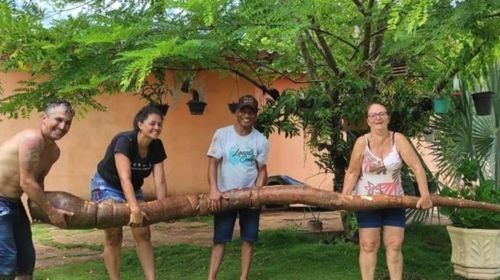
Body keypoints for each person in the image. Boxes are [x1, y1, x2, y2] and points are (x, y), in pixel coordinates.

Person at [341, 102, 433, 280]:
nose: (378, 118)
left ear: (388, 118)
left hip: (395, 200)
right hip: (366, 201)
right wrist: (345, 197)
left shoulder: (398, 139)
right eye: (373, 115)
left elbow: (416, 167)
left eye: (381, 114)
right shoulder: (362, 142)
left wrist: (425, 195)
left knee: (395, 244)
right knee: (368, 245)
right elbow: (352, 172)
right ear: (368, 121)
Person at [91, 105, 167, 280]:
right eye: (152, 123)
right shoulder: (124, 140)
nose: (157, 128)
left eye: (160, 124)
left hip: (133, 187)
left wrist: (163, 207)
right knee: (113, 235)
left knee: (143, 233)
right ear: (140, 124)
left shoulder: (157, 146)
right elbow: (124, 177)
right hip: (107, 185)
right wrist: (134, 208)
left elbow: (160, 180)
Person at [0, 100, 75, 279]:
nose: (63, 126)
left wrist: (38, 210)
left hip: (13, 202)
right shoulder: (32, 139)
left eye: (68, 123)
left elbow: (38, 181)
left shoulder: (54, 152)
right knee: (5, 262)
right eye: (58, 120)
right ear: (44, 118)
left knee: (26, 261)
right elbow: (27, 182)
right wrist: (51, 212)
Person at [206, 94, 269, 280]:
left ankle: (244, 278)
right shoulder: (222, 135)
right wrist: (213, 190)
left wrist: (257, 192)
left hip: (249, 197)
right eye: (243, 111)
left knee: (248, 239)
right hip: (225, 197)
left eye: (251, 112)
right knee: (220, 240)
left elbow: (262, 170)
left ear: (255, 115)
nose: (247, 115)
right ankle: (211, 278)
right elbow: (212, 164)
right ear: (237, 111)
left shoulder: (261, 140)